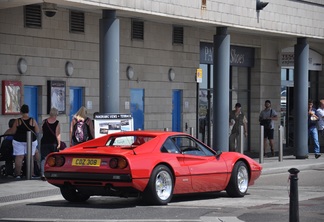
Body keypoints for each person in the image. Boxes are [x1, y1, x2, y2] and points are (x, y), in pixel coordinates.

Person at [7, 104, 40, 178]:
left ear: (21, 111)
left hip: (19, 141)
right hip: (31, 141)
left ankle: (17, 174)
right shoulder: (32, 120)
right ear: (28, 111)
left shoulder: (17, 121)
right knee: (30, 157)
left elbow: (13, 131)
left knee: (19, 157)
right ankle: (31, 174)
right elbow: (37, 131)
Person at [40, 107, 61, 180]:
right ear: (56, 114)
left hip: (44, 142)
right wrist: (59, 143)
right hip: (53, 142)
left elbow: (42, 131)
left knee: (44, 158)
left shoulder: (44, 121)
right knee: (54, 158)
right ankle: (53, 173)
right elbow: (57, 134)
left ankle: (43, 173)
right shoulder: (57, 122)